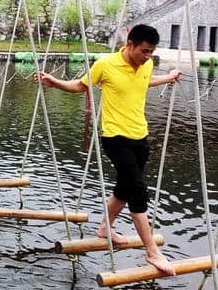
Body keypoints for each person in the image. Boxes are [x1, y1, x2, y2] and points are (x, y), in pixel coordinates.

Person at [34, 24, 181, 276]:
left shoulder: (146, 64)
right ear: (130, 44)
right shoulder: (106, 64)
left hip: (140, 137)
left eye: (151, 52)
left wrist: (168, 77)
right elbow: (81, 86)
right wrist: (55, 83)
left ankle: (104, 228)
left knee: (124, 190)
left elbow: (144, 83)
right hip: (115, 138)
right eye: (144, 51)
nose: (147, 56)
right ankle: (152, 252)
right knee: (138, 192)